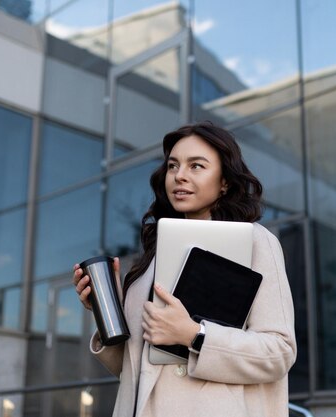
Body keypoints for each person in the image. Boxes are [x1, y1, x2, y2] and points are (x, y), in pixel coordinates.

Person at [72, 122, 296, 417]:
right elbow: (138, 371)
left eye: (196, 166)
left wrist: (195, 334)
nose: (179, 176)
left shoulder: (255, 241)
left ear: (225, 181)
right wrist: (107, 310)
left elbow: (279, 352)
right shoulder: (154, 256)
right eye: (173, 166)